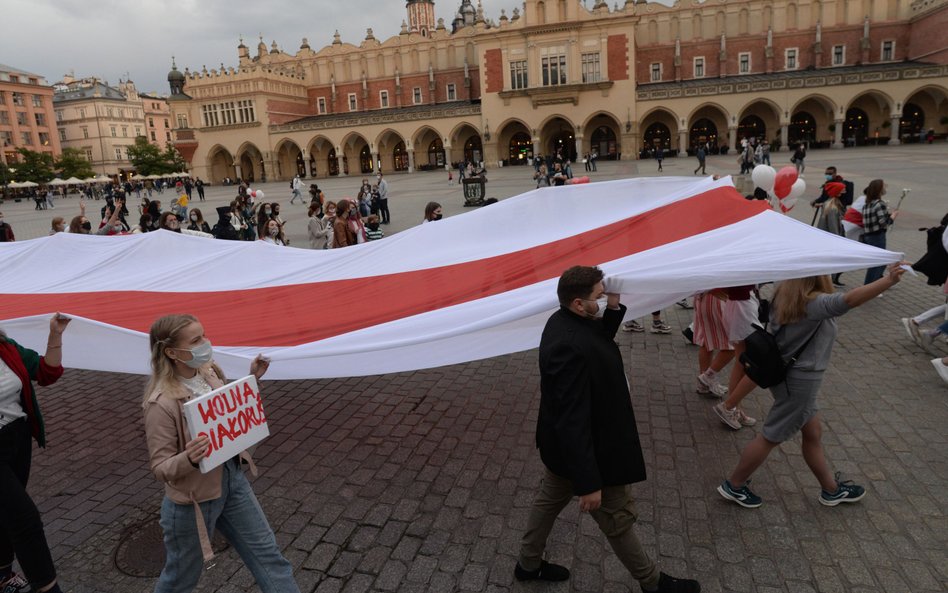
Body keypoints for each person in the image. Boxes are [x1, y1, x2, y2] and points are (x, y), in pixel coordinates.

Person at [515, 265, 700, 593]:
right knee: (616, 518)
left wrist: (613, 305)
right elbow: (573, 419)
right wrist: (588, 483)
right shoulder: (568, 346)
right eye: (598, 297)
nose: (601, 302)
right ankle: (652, 582)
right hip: (590, 454)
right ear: (578, 303)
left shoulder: (565, 321)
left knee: (547, 501)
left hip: (562, 452)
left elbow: (594, 338)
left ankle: (528, 564)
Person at [718, 264, 906, 509]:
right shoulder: (814, 304)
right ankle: (735, 485)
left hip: (787, 377)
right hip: (799, 382)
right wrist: (889, 280)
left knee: (812, 432)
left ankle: (830, 489)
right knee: (770, 436)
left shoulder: (783, 297)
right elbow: (851, 299)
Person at [142, 314, 300, 593]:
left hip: (232, 479)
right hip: (192, 503)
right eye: (196, 340)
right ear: (172, 352)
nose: (205, 343)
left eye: (203, 335)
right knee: (180, 579)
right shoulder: (161, 403)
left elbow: (223, 412)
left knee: (269, 557)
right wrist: (189, 458)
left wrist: (251, 382)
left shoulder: (209, 370)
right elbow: (160, 468)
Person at [0, 313, 71, 593]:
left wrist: (56, 334)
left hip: (16, 438)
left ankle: (3, 573)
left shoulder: (6, 347)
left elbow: (46, 373)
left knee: (6, 513)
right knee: (24, 518)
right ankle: (48, 588)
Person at [692, 290, 733, 397]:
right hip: (718, 299)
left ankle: (703, 384)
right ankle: (707, 376)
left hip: (703, 298)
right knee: (732, 346)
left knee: (706, 342)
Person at [860, 179, 898, 284]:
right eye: (884, 186)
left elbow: (872, 220)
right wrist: (893, 217)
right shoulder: (879, 204)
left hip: (868, 236)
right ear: (879, 189)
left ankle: (873, 284)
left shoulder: (866, 205)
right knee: (878, 263)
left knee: (879, 262)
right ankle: (869, 286)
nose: (885, 188)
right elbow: (884, 223)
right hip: (877, 236)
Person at [815, 182, 848, 286]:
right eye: (842, 190)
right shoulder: (832, 207)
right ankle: (828, 283)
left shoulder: (830, 203)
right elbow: (833, 226)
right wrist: (838, 241)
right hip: (830, 240)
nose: (845, 191)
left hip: (825, 238)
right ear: (837, 192)